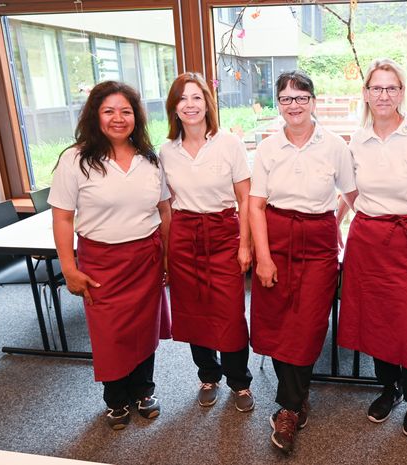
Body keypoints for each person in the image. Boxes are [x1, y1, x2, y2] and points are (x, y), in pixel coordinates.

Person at [337, 58, 407, 438]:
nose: (383, 95)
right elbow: (350, 189)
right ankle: (389, 388)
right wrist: (349, 219)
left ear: (402, 93)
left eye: (391, 88)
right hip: (369, 244)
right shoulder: (358, 138)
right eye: (376, 88)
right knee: (377, 323)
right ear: (366, 94)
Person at [49, 81, 171, 430]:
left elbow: (165, 211)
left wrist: (165, 259)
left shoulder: (150, 159)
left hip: (145, 258)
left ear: (136, 117)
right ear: (95, 116)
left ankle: (144, 391)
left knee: (144, 330)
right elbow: (62, 217)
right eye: (109, 111)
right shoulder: (76, 159)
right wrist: (69, 267)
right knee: (110, 333)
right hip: (101, 262)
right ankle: (116, 399)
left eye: (126, 111)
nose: (118, 118)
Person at [249, 71, 357, 454]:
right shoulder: (267, 148)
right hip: (276, 239)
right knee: (278, 322)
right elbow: (255, 204)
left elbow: (352, 191)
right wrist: (262, 257)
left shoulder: (335, 146)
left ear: (313, 100)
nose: (294, 105)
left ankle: (288, 408)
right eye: (286, 99)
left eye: (301, 97)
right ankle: (294, 403)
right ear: (278, 104)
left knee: (308, 324)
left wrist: (335, 220)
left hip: (318, 243)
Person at [159, 73, 254, 412]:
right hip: (185, 235)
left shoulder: (229, 142)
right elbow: (166, 205)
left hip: (224, 232)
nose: (190, 105)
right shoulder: (166, 151)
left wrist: (246, 244)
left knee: (229, 312)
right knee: (194, 310)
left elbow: (245, 197)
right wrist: (167, 254)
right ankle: (207, 376)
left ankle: (239, 382)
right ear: (174, 107)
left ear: (207, 103)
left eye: (196, 97)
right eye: (182, 99)